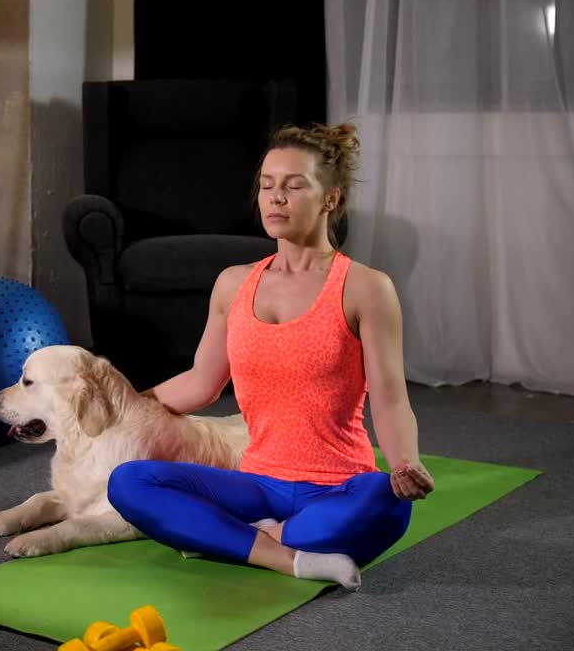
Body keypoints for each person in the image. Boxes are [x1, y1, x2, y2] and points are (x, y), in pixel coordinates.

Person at [106, 122, 434, 591]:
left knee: (389, 501)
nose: (275, 197)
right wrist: (127, 405)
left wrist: (404, 463)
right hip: (258, 485)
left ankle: (240, 539)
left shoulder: (366, 288)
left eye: (293, 186)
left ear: (331, 199)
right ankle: (286, 557)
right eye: (266, 186)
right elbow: (202, 381)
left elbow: (391, 400)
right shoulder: (234, 283)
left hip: (338, 487)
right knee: (129, 483)